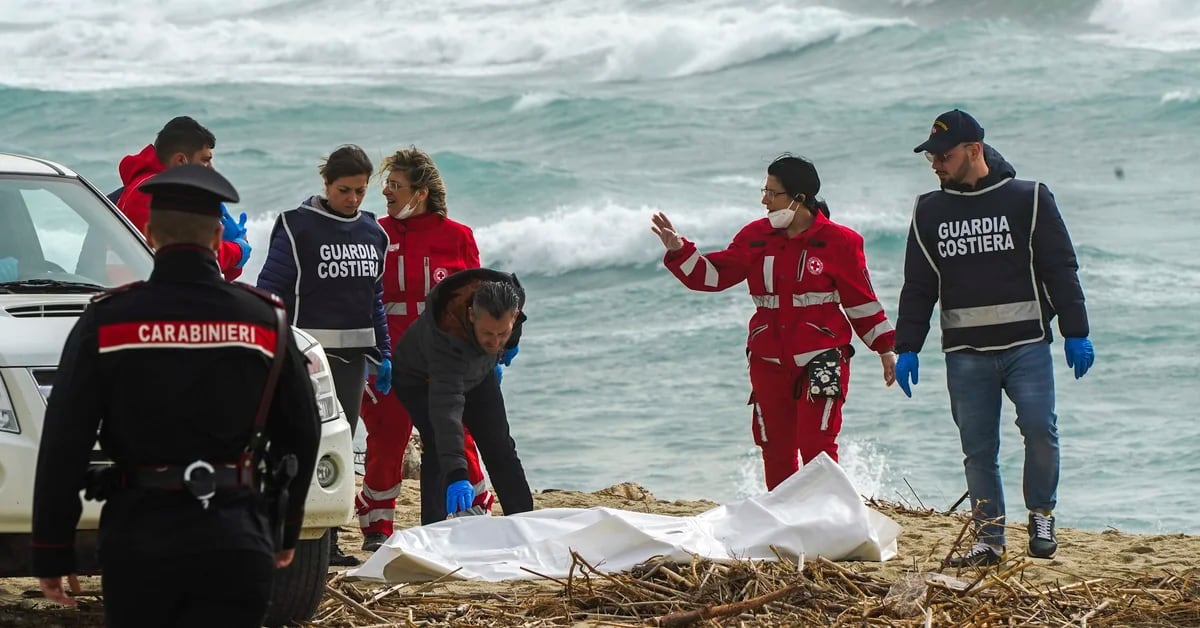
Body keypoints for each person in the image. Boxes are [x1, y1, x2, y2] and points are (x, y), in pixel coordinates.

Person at [31, 165, 321, 627]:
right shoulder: (266, 321)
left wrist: (51, 549)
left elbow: (65, 441)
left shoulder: (108, 322)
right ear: (215, 240)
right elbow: (303, 434)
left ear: (148, 235)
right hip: (236, 535)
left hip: (140, 538)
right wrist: (286, 527)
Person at [895, 109, 1095, 567]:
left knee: (1041, 430)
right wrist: (906, 345)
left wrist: (1075, 331)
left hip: (1027, 344)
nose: (936, 164)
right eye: (931, 157)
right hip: (964, 353)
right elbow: (919, 284)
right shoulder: (929, 211)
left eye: (943, 155)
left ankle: (1041, 515)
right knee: (978, 449)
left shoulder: (1030, 199)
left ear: (974, 150)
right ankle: (988, 538)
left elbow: (1059, 268)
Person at [651, 154, 897, 491]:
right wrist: (680, 251)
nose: (764, 199)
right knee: (776, 449)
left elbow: (861, 301)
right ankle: (785, 525)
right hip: (768, 361)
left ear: (798, 198)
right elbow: (714, 276)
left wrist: (886, 349)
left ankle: (828, 521)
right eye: (764, 190)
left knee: (817, 448)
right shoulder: (755, 236)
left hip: (823, 357)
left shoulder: (841, 242)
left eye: (772, 192)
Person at [356, 147, 500, 551]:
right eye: (387, 184)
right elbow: (360, 296)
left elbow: (479, 302)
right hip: (388, 359)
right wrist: (371, 354)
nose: (386, 191)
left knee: (457, 433)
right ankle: (377, 527)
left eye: (396, 185)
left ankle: (473, 513)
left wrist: (490, 354)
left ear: (420, 193)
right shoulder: (374, 233)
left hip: (446, 361)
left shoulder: (458, 237)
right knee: (386, 439)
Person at [255, 144, 390, 565]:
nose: (352, 199)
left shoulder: (374, 233)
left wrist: (384, 352)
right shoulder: (298, 227)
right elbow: (271, 289)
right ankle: (289, 535)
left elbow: (376, 299)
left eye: (361, 191)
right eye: (345, 190)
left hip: (351, 362)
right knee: (299, 445)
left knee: (340, 447)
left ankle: (328, 541)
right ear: (327, 184)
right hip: (306, 360)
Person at [391, 268, 534, 525]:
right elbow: (447, 415)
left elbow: (513, 327)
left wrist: (510, 344)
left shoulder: (512, 301)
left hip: (478, 373)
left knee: (499, 445)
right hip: (419, 380)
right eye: (488, 334)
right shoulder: (446, 337)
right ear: (471, 315)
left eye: (502, 333)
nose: (494, 341)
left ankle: (525, 522)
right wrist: (458, 475)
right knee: (438, 445)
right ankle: (434, 529)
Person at [115, 116, 251, 280]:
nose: (211, 169)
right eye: (205, 160)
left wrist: (231, 256)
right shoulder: (153, 194)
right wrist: (237, 250)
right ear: (181, 160)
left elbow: (208, 273)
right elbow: (191, 259)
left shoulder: (147, 186)